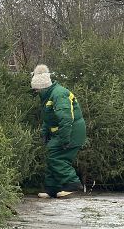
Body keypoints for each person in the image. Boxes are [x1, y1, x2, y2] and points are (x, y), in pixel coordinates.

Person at [30, 64, 87, 198]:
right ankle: (52, 188)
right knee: (51, 153)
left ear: (42, 87)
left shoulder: (59, 94)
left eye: (36, 89)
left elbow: (66, 118)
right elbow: (48, 118)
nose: (35, 92)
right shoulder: (49, 96)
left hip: (72, 132)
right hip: (63, 132)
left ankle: (73, 184)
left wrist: (64, 139)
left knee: (56, 156)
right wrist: (45, 133)